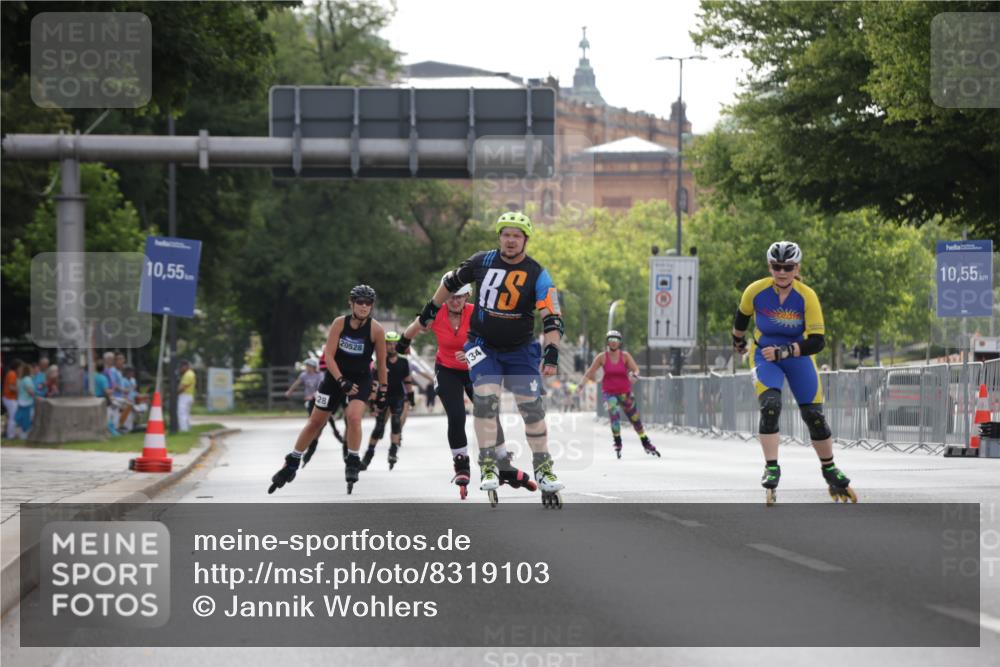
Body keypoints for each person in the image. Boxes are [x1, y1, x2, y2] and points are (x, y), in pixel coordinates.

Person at [416, 211, 565, 507]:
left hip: (520, 348)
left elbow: (553, 318)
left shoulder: (538, 273)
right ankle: (487, 463)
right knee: (485, 402)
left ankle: (544, 468)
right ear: (500, 237)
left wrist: (552, 351)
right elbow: (450, 280)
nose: (511, 241)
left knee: (532, 410)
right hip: (483, 345)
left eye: (517, 236)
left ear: (525, 240)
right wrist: (431, 308)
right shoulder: (481, 261)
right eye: (506, 235)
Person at [732, 241, 857, 504]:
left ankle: (829, 468)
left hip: (798, 356)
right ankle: (772, 466)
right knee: (770, 405)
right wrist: (738, 341)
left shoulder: (806, 296)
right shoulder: (755, 291)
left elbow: (817, 341)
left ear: (797, 267)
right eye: (776, 267)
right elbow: (742, 316)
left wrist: (785, 352)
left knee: (814, 415)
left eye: (787, 267)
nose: (781, 272)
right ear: (770, 266)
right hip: (764, 356)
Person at [400, 281, 535, 499]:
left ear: (468, 297)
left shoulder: (478, 315)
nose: (455, 301)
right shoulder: (435, 313)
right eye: (451, 297)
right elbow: (413, 328)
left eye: (460, 297)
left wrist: (472, 354)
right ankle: (461, 463)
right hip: (447, 370)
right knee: (456, 415)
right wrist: (402, 344)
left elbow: (494, 343)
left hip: (476, 368)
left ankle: (503, 462)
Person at [269, 284, 388, 495]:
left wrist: (383, 390)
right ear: (351, 303)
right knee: (316, 422)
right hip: (335, 378)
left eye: (368, 303)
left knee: (353, 418)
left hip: (361, 379)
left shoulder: (376, 329)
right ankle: (292, 462)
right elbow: (329, 356)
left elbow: (381, 363)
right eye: (359, 302)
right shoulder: (339, 324)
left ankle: (352, 458)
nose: (363, 306)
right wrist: (341, 380)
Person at [581, 330, 659, 459]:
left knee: (635, 419)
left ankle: (645, 442)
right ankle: (617, 442)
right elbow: (590, 371)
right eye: (611, 340)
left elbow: (636, 369)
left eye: (616, 340)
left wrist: (634, 374)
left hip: (625, 392)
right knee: (614, 415)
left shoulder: (625, 356)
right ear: (607, 341)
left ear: (620, 342)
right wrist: (581, 385)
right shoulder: (602, 357)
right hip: (609, 392)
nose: (613, 342)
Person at [361, 331, 415, 471]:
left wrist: (411, 396)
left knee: (396, 422)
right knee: (379, 427)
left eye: (394, 344)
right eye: (389, 344)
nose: (392, 347)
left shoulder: (403, 362)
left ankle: (393, 451)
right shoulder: (380, 361)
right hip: (382, 397)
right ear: (384, 345)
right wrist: (372, 402)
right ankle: (369, 455)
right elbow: (374, 383)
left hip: (398, 396)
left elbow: (407, 380)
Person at [285, 358, 327, 468]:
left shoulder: (320, 375)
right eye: (306, 366)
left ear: (314, 367)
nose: (307, 368)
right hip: (308, 400)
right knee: (311, 416)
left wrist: (314, 395)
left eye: (309, 366)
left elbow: (322, 388)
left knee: (321, 421)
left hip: (318, 398)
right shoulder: (304, 375)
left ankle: (315, 435)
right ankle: (311, 433)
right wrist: (290, 391)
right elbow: (297, 383)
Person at [15, 362, 37, 438]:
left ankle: (22, 435)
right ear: (28, 370)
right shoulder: (27, 379)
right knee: (27, 419)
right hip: (27, 402)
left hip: (21, 401)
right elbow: (30, 391)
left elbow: (18, 391)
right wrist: (36, 397)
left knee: (22, 420)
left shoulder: (20, 379)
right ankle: (25, 436)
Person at [3, 360, 23, 440]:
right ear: (17, 367)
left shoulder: (11, 373)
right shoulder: (12, 374)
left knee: (11, 417)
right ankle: (10, 435)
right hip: (10, 398)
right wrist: (20, 390)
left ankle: (9, 434)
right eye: (20, 367)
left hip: (9, 398)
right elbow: (11, 387)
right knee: (13, 417)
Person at [177, 360, 196, 433]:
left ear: (185, 366)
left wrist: (175, 392)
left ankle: (184, 430)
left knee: (181, 413)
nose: (180, 369)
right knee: (186, 414)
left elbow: (182, 387)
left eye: (181, 367)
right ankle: (187, 428)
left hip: (185, 396)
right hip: (189, 396)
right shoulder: (191, 373)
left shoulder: (188, 375)